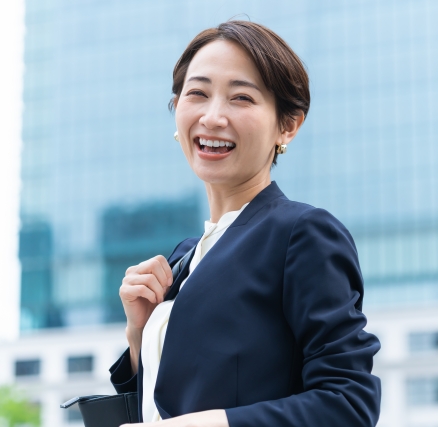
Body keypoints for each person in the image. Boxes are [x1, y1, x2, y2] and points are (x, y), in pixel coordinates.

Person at [111, 20, 381, 427]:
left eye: (241, 98)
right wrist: (140, 336)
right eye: (197, 94)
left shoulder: (301, 234)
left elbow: (348, 403)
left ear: (287, 125)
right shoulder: (185, 257)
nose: (213, 117)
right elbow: (163, 404)